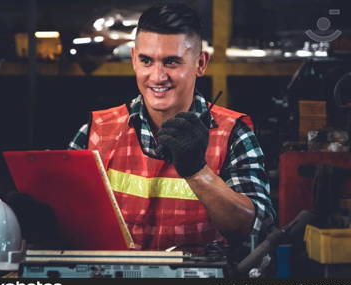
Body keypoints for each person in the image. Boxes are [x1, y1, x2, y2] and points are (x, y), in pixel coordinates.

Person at [69, 3, 275, 251]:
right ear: (134, 59)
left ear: (200, 63)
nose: (157, 77)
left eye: (171, 62)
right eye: (146, 60)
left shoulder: (234, 133)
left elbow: (254, 229)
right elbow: (70, 218)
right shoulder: (95, 132)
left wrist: (198, 172)